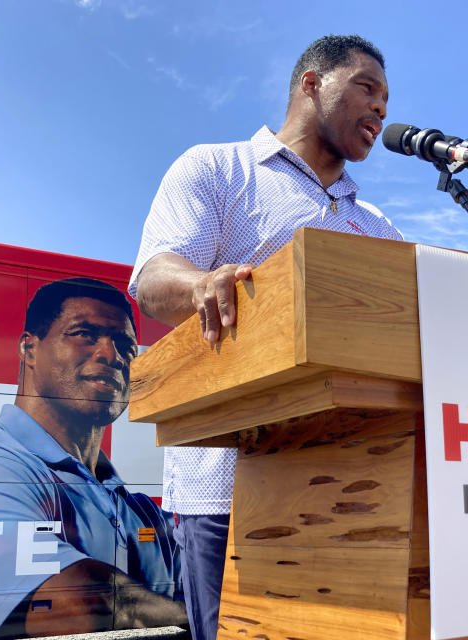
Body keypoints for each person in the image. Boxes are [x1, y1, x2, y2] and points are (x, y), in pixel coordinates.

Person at [129, 34, 399, 640]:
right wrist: (202, 285)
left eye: (386, 99)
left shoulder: (377, 226)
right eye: (367, 88)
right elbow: (152, 280)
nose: (381, 110)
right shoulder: (218, 169)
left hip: (351, 488)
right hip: (227, 490)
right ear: (311, 82)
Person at [0, 278, 186, 640]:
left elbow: (218, 577)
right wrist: (208, 617)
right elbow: (79, 606)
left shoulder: (137, 510)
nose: (111, 355)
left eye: (125, 345)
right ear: (29, 349)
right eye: (85, 333)